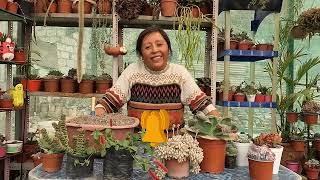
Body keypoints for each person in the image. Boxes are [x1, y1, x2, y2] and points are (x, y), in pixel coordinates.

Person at [95, 25, 220, 125]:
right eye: (148, 47)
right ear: (141, 54)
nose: (155, 50)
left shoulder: (179, 73)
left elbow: (202, 105)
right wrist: (98, 114)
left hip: (173, 146)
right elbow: (109, 102)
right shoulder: (132, 71)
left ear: (168, 49)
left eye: (160, 45)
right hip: (137, 146)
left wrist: (219, 124)